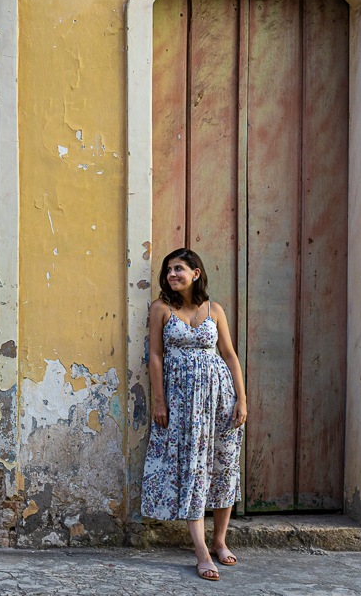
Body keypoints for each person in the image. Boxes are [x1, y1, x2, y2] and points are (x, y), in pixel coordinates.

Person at [141, 248, 247, 581]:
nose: (172, 274)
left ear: (196, 273)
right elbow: (155, 357)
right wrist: (159, 401)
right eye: (168, 270)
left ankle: (219, 541)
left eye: (179, 269)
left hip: (219, 399)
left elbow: (229, 355)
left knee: (223, 465)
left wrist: (241, 400)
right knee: (192, 468)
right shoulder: (161, 309)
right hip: (182, 403)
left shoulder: (214, 310)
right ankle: (201, 551)